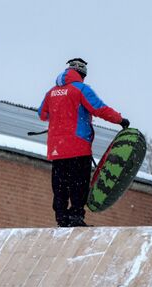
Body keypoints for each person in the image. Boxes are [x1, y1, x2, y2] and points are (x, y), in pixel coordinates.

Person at [38, 57, 128, 227]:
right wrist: (120, 120)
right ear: (82, 74)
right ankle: (76, 216)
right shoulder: (81, 90)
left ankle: (61, 217)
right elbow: (99, 108)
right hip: (78, 146)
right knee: (78, 183)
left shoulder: (51, 92)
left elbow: (42, 114)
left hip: (57, 149)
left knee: (60, 184)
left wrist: (60, 116)